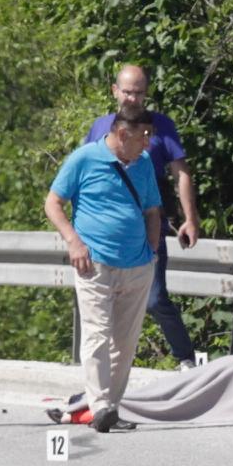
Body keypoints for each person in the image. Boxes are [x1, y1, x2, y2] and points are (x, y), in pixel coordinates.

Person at [45, 110, 165, 434]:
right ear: (124, 135)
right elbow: (53, 202)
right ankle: (100, 408)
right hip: (94, 262)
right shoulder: (84, 159)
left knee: (124, 343)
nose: (148, 143)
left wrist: (151, 251)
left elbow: (153, 210)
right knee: (97, 334)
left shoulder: (143, 165)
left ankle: (107, 406)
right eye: (144, 136)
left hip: (137, 265)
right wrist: (73, 242)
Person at [82, 64, 202, 367]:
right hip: (106, 235)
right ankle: (107, 367)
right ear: (115, 91)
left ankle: (185, 358)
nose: (132, 98)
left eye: (138, 93)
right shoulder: (99, 128)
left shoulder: (161, 127)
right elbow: (84, 174)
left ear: (146, 94)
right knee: (105, 305)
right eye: (127, 92)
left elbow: (181, 173)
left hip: (149, 228)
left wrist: (190, 217)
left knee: (155, 298)